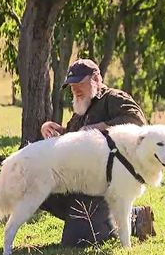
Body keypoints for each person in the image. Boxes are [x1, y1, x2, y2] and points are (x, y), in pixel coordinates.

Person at [40, 58, 155, 247]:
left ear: (96, 79)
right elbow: (74, 137)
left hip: (104, 187)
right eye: (72, 85)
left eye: (79, 83)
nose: (75, 89)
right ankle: (90, 220)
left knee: (76, 242)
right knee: (35, 183)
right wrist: (54, 130)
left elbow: (138, 123)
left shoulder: (114, 98)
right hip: (78, 181)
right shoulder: (81, 106)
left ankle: (132, 218)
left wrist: (101, 127)